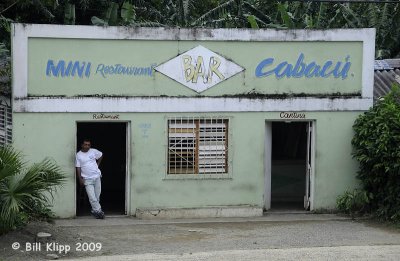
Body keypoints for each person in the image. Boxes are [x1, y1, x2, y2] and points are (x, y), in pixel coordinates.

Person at [75, 139, 105, 219]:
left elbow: (101, 155)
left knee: (97, 196)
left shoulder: (93, 151)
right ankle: (99, 211)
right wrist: (80, 178)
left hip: (97, 176)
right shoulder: (78, 155)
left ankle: (94, 211)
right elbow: (78, 167)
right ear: (82, 145)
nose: (87, 146)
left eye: (88, 145)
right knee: (92, 197)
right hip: (87, 179)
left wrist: (98, 164)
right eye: (85, 144)